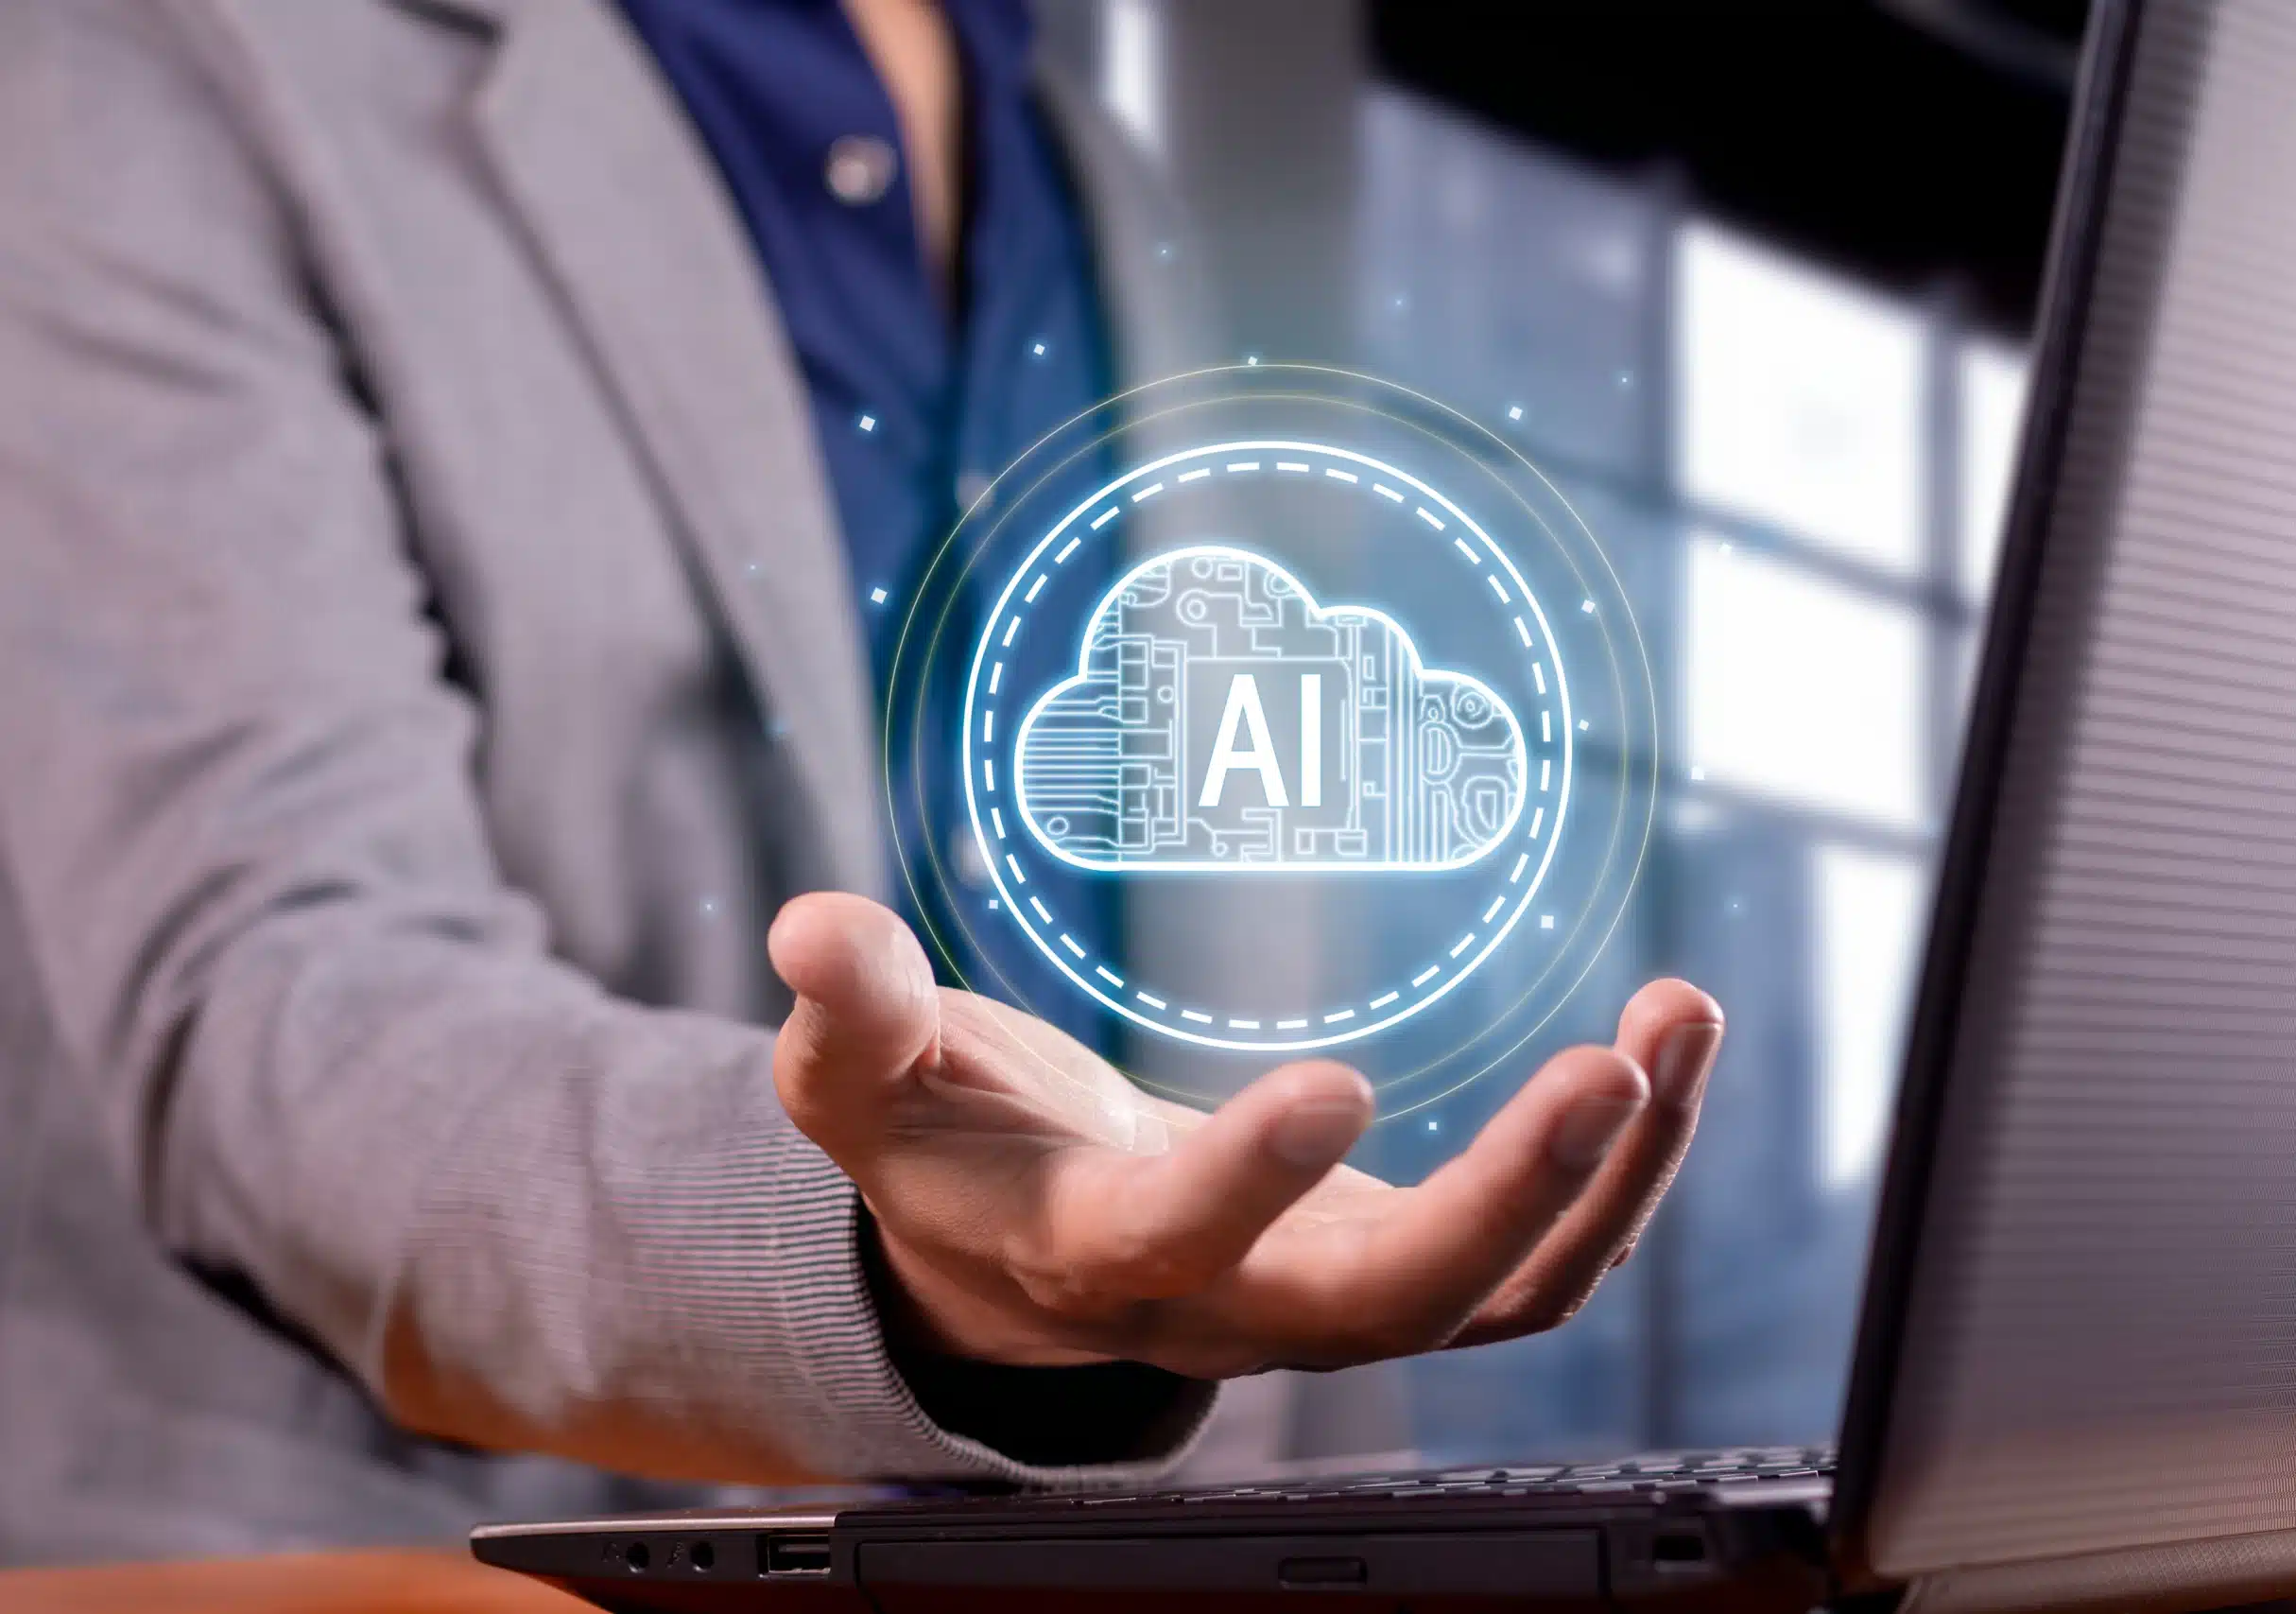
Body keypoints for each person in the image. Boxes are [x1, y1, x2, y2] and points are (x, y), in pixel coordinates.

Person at [0, 0, 1725, 1562]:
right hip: (381, 1560)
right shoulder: (156, 54)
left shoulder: (1093, 174)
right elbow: (280, 997)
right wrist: (899, 1251)